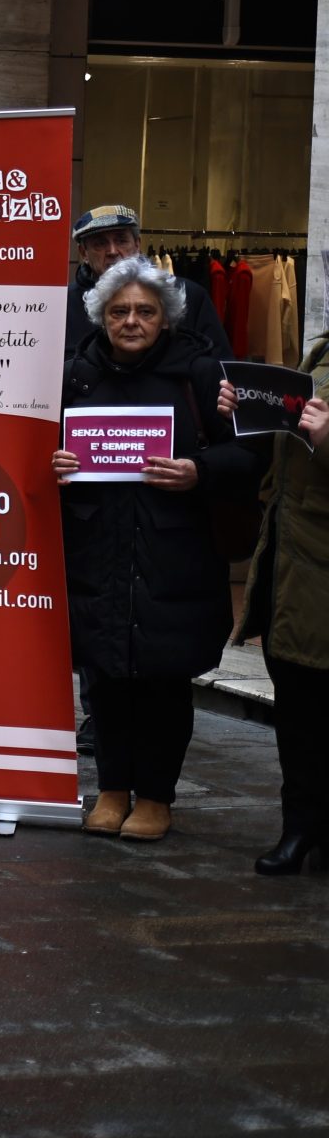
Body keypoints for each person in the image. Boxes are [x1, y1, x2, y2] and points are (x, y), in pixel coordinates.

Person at [53, 257, 248, 844]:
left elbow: (249, 457)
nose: (131, 321)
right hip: (98, 553)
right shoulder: (74, 377)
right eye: (119, 311)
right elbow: (35, 449)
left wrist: (198, 469)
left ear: (165, 317)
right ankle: (112, 790)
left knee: (164, 681)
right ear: (101, 316)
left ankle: (157, 796)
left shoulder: (202, 375)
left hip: (175, 554)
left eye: (144, 310)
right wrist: (54, 463)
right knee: (106, 678)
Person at [235, 338, 329, 874]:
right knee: (297, 706)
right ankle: (300, 828)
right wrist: (243, 414)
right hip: (291, 561)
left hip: (316, 561)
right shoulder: (317, 354)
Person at [67, 204, 232, 364]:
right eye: (100, 244)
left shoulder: (187, 295)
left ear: (137, 245)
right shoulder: (64, 305)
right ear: (83, 253)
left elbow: (220, 367)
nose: (112, 251)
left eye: (121, 241)